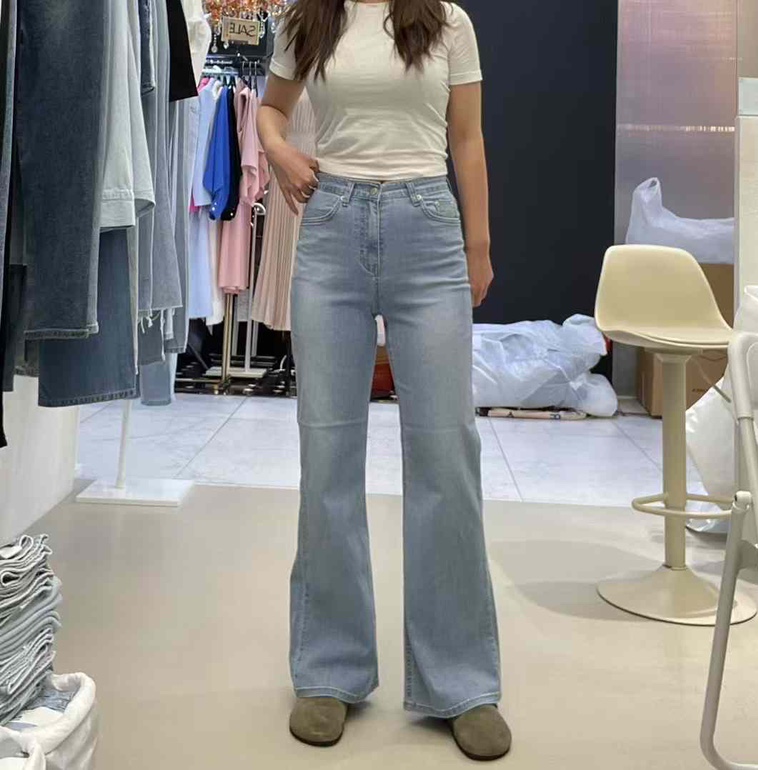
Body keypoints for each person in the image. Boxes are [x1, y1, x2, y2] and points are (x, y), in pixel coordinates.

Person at [257, 0, 510, 760]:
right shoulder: (306, 19)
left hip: (426, 229)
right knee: (327, 455)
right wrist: (279, 150)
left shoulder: (447, 21)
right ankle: (328, 672)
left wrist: (477, 246)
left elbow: (467, 138)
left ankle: (462, 683)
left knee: (445, 455)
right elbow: (271, 110)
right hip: (331, 229)